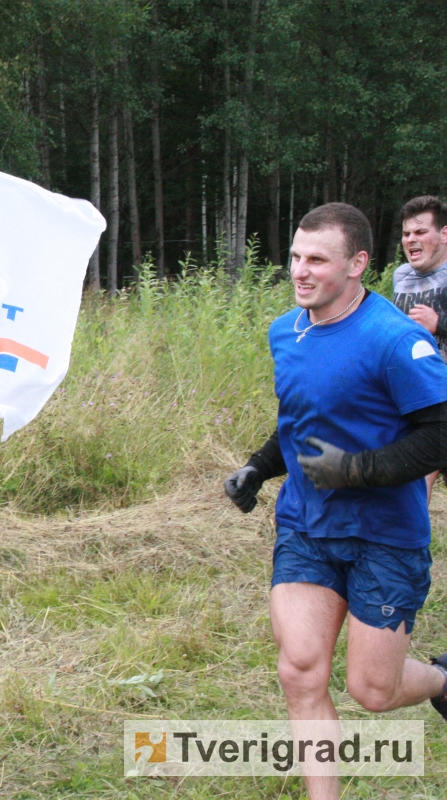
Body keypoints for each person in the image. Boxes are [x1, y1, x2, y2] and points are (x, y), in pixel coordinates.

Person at [223, 203, 447, 800]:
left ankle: (441, 681)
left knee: (373, 691)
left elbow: (440, 432)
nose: (300, 270)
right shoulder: (285, 331)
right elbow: (300, 418)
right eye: (295, 256)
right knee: (300, 671)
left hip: (385, 537)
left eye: (317, 259)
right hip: (306, 527)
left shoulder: (395, 340)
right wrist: (260, 466)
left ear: (357, 265)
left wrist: (357, 471)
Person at [393, 195, 447, 494]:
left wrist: (438, 324)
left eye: (420, 232)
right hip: (411, 391)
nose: (411, 239)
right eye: (406, 233)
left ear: (444, 234)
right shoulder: (401, 276)